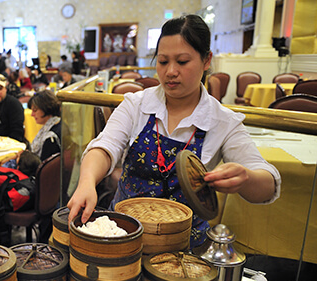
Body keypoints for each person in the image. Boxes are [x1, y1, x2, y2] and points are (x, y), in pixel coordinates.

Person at [67, 14, 280, 248]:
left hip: (185, 245)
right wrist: (87, 181)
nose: (170, 71)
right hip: (122, 235)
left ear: (206, 60)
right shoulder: (135, 104)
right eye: (162, 61)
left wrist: (246, 178)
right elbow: (106, 146)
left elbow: (267, 184)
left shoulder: (223, 121)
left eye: (182, 62)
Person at [28, 90, 61, 161]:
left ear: (46, 108)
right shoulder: (58, 123)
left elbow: (43, 168)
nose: (32, 114)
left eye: (35, 110)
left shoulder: (50, 138)